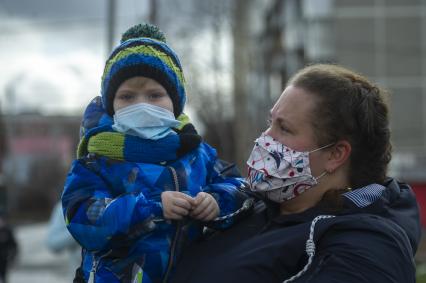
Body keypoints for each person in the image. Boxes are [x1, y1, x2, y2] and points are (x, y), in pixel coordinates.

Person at [170, 64, 421, 283]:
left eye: (284, 128)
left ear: (335, 155)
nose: (265, 138)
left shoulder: (368, 248)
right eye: (271, 122)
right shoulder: (253, 206)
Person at [61, 23, 249, 283]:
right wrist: (153, 208)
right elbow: (83, 217)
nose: (141, 105)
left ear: (175, 102)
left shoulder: (198, 154)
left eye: (154, 95)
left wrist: (218, 201)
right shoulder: (96, 161)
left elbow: (241, 188)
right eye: (127, 96)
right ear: (111, 105)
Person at [45, 201, 81, 281]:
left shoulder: (113, 200)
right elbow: (53, 243)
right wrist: (80, 229)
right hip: (80, 277)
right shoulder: (66, 203)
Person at [0, 211, 17, 283]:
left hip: (4, 258)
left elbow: (13, 244)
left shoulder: (7, 230)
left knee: (4, 276)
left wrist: (12, 256)